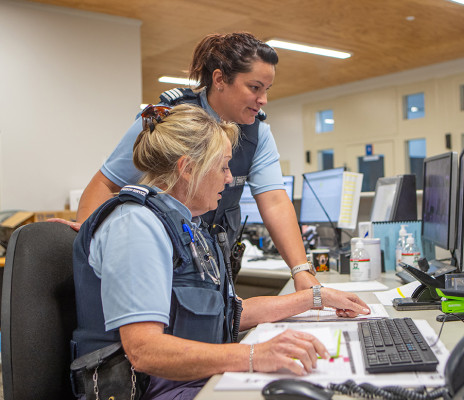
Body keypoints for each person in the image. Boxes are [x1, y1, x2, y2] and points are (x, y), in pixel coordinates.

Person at [71, 104, 370, 400]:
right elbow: (144, 351)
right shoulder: (136, 226)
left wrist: (314, 298)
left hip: (192, 383)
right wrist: (254, 355)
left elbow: (230, 313)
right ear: (188, 169)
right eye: (223, 166)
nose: (229, 178)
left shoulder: (188, 226)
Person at [73, 32, 322, 293]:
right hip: (159, 262)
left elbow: (275, 202)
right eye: (254, 87)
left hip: (214, 264)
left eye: (266, 90)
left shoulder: (257, 134)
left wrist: (301, 270)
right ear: (220, 79)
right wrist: (87, 252)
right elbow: (105, 183)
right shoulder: (169, 121)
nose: (263, 100)